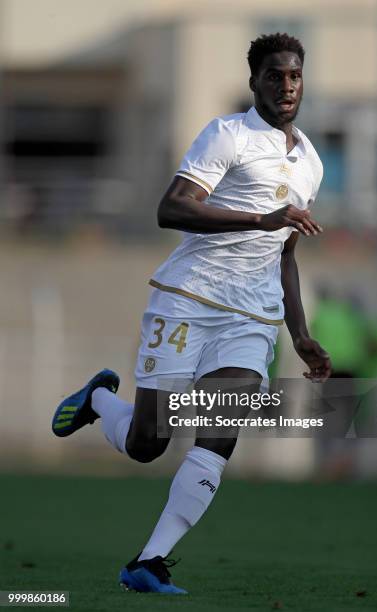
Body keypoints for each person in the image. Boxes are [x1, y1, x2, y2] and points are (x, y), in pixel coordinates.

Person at [52, 32, 331, 594]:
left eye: (294, 75)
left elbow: (286, 253)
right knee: (149, 442)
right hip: (189, 299)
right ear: (254, 81)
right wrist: (259, 219)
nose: (286, 85)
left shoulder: (311, 163)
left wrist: (299, 333)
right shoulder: (227, 134)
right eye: (274, 75)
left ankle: (147, 562)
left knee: (219, 427)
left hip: (250, 317)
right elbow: (172, 207)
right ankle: (98, 400)